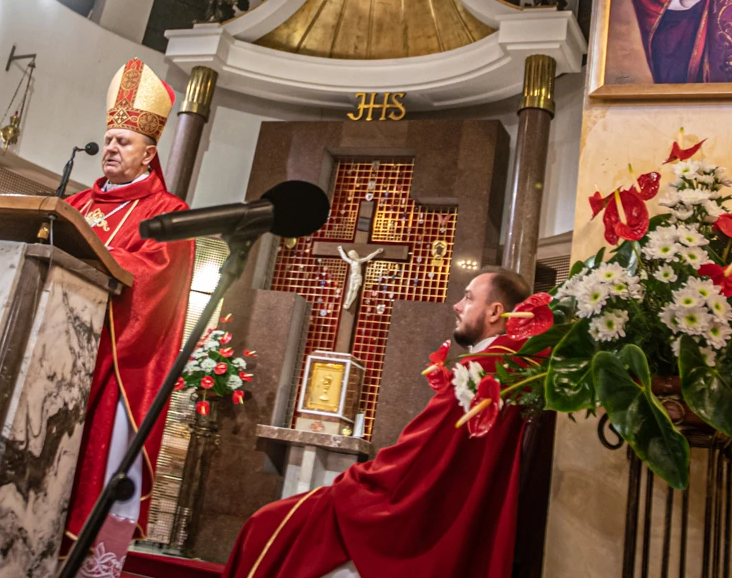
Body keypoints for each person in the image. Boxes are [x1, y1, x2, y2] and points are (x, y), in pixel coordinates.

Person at [223, 268, 533, 578]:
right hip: (454, 525)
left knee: (266, 526)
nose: (457, 305)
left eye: (468, 298)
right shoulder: (517, 371)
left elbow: (412, 462)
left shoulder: (481, 371)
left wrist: (351, 484)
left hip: (414, 528)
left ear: (495, 312)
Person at [62, 58, 194, 568]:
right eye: (109, 138)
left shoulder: (168, 211)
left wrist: (98, 257)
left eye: (124, 142)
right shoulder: (74, 203)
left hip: (117, 361)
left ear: (150, 153)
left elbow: (157, 277)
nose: (112, 148)